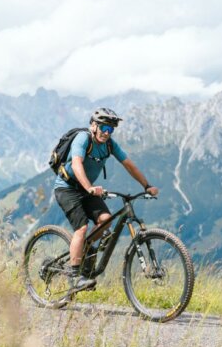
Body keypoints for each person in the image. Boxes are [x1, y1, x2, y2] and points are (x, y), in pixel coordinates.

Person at [53, 107, 159, 289]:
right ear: (93, 126)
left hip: (87, 190)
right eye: (103, 128)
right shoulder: (82, 139)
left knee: (106, 220)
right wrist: (89, 188)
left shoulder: (110, 145)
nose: (106, 133)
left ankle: (84, 251)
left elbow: (129, 165)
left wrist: (146, 185)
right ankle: (75, 277)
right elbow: (77, 164)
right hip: (67, 188)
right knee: (82, 228)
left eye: (110, 129)